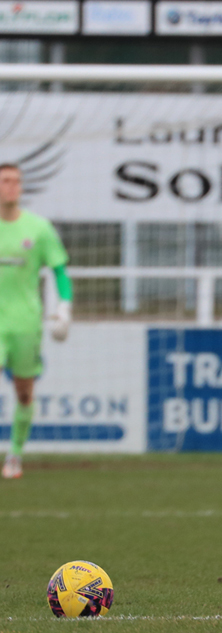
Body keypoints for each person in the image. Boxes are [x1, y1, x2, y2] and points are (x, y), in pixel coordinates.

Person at [0, 163, 72, 479]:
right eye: (5, 181)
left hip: (26, 324)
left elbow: (59, 270)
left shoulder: (39, 228)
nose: (11, 186)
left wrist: (65, 306)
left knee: (24, 392)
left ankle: (14, 454)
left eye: (16, 181)